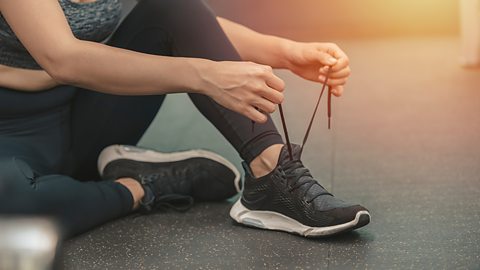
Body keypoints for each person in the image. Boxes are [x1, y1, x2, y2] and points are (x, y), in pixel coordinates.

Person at [0, 0, 370, 238]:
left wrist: (287, 53)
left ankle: (271, 176)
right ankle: (148, 184)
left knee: (172, 7)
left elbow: (184, 22)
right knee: (13, 209)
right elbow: (63, 58)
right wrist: (204, 75)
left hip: (85, 113)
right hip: (10, 130)